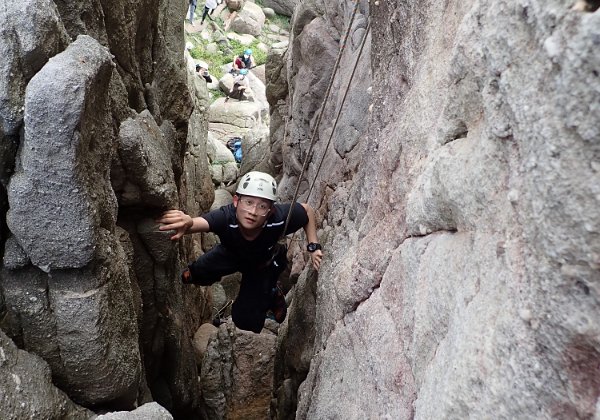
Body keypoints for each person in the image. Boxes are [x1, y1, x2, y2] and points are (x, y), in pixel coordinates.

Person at [157, 171, 323, 333]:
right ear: (236, 201)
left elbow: (307, 211)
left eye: (262, 206)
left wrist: (313, 246)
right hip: (230, 254)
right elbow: (198, 223)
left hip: (261, 265)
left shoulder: (278, 219)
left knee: (244, 321)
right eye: (248, 202)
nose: (253, 211)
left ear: (270, 211)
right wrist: (187, 222)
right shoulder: (226, 217)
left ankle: (272, 294)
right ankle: (206, 274)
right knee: (193, 274)